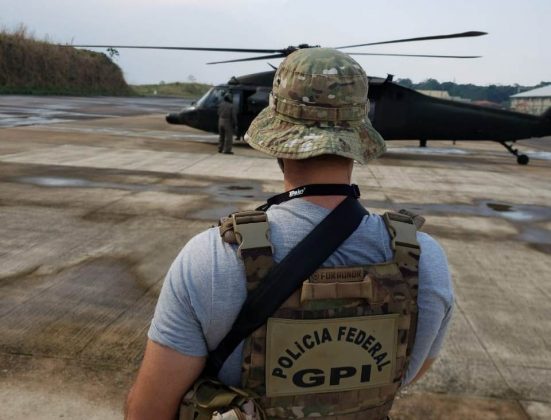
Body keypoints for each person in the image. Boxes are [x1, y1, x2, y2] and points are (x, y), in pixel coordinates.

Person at [125, 48, 453, 420]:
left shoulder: (212, 258)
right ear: (358, 134)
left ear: (278, 139)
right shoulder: (424, 260)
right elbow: (407, 373)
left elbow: (148, 412)